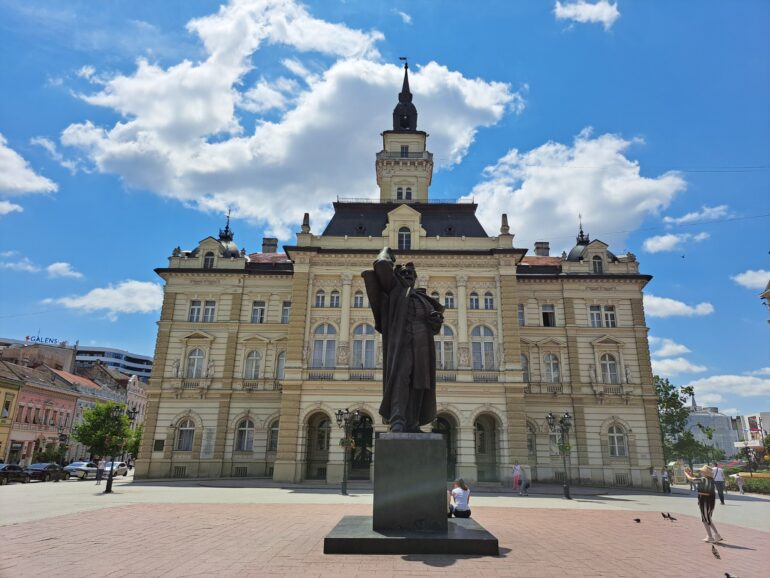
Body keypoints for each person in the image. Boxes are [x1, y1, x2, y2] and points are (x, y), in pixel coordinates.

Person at [362, 248, 445, 432]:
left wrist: (435, 322)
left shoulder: (425, 300)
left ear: (415, 278)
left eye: (410, 273)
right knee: (401, 379)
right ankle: (398, 420)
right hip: (402, 344)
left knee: (419, 383)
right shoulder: (395, 291)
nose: (407, 275)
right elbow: (381, 265)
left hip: (422, 346)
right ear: (397, 276)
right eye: (404, 273)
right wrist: (387, 253)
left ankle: (413, 423)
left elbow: (434, 327)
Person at [684, 465, 723, 543]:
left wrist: (686, 473)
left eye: (702, 471)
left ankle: (715, 535)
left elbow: (691, 479)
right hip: (710, 500)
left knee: (706, 519)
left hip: (704, 500)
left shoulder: (703, 479)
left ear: (705, 473)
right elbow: (695, 479)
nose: (701, 472)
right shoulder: (711, 479)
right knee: (707, 518)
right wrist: (691, 474)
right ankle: (710, 536)